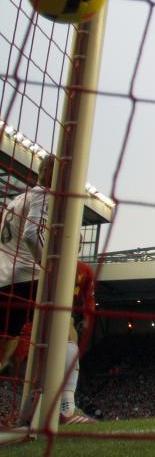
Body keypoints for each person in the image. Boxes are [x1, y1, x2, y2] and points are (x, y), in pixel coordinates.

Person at [0, 155, 52, 371]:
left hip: (5, 276)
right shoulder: (44, 195)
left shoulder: (18, 199)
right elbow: (31, 234)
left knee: (9, 335)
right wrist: (47, 265)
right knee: (65, 323)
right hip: (25, 278)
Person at [60, 259, 97, 424]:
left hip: (64, 311)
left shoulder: (85, 270)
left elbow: (88, 297)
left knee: (70, 335)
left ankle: (66, 408)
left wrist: (87, 318)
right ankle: (66, 409)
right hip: (44, 304)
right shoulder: (51, 259)